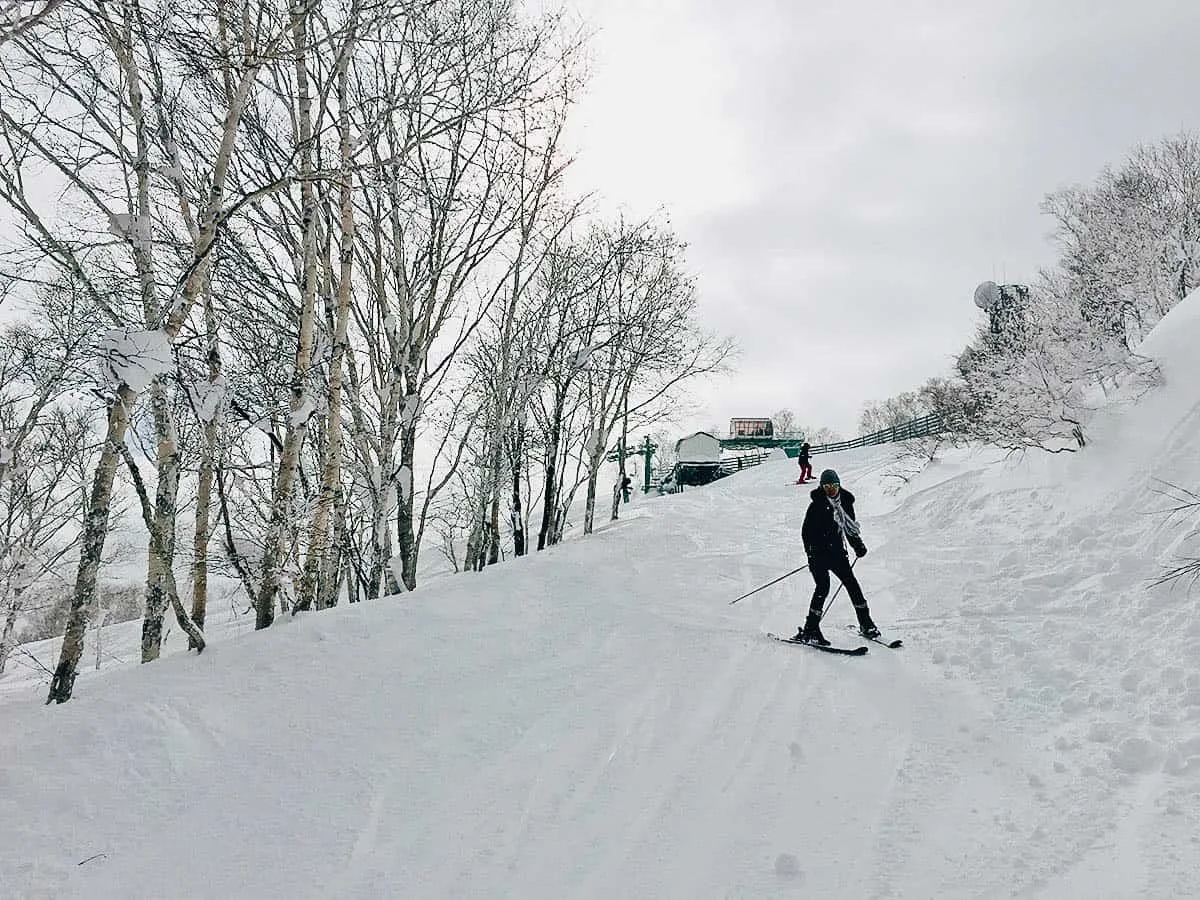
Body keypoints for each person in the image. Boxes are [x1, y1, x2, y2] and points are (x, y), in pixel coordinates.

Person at [795, 468, 880, 643]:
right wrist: (810, 553)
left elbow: (848, 530)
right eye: (827, 487)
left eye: (834, 486)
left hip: (837, 553)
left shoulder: (846, 504)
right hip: (818, 555)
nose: (831, 490)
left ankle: (866, 624)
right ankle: (810, 629)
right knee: (823, 587)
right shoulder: (816, 505)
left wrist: (858, 546)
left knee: (853, 586)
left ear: (839, 485)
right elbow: (806, 532)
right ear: (822, 487)